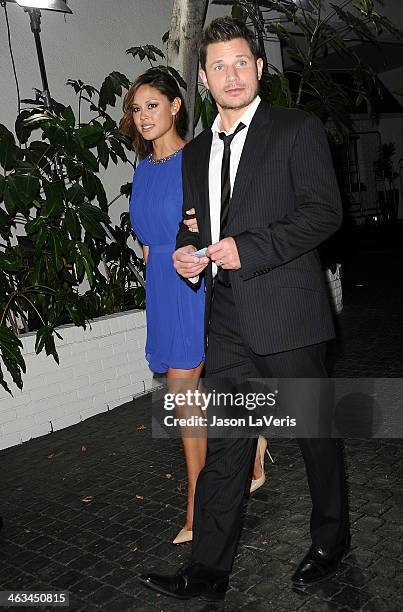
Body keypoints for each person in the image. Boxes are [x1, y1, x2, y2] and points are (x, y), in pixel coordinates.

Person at [139, 17, 350, 601]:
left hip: (289, 312)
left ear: (259, 68)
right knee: (229, 445)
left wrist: (246, 249)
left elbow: (323, 212)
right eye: (218, 66)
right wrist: (187, 254)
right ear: (204, 79)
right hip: (226, 317)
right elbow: (192, 223)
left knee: (314, 436)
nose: (231, 74)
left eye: (241, 63)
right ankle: (207, 568)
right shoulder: (196, 151)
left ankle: (332, 542)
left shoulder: (295, 128)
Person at [120, 68, 270, 545]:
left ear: (175, 106)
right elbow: (147, 238)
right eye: (137, 109)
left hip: (194, 284)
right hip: (160, 287)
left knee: (184, 396)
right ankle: (254, 447)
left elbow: (216, 221)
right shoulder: (142, 168)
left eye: (153, 106)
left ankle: (196, 507)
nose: (144, 117)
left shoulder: (197, 158)